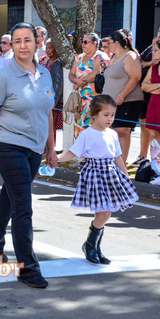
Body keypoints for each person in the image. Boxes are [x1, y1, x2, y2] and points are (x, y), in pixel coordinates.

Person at [0, 22, 57, 288]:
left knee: (10, 197)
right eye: (17, 41)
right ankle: (28, 268)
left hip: (33, 147)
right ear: (12, 44)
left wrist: (51, 148)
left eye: (28, 40)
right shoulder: (4, 76)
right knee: (24, 206)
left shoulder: (44, 73)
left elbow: (46, 113)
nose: (23, 45)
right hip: (7, 145)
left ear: (37, 42)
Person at [56, 95, 138, 264]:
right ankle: (91, 245)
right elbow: (72, 153)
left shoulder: (113, 134)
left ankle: (93, 246)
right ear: (94, 114)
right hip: (94, 174)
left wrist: (125, 174)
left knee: (105, 212)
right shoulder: (87, 134)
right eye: (105, 114)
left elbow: (117, 156)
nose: (110, 119)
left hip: (110, 174)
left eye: (113, 115)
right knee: (104, 212)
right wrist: (55, 158)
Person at [102, 29, 143, 162]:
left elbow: (135, 77)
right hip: (110, 102)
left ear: (117, 42)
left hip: (127, 101)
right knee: (111, 131)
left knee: (122, 131)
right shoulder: (114, 56)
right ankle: (113, 161)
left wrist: (121, 96)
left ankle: (121, 164)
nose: (108, 45)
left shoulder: (130, 56)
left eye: (110, 42)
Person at [69, 32, 104, 139]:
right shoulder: (79, 57)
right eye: (82, 42)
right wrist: (76, 80)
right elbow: (71, 74)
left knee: (92, 126)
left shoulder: (99, 56)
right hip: (80, 99)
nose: (83, 44)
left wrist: (80, 82)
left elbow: (96, 73)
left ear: (94, 44)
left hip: (94, 97)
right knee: (79, 125)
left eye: (86, 42)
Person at [41, 40, 64, 146]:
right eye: (46, 48)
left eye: (50, 48)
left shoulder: (57, 64)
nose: (48, 50)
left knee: (51, 126)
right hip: (44, 97)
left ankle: (50, 147)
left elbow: (58, 84)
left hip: (53, 99)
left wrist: (53, 102)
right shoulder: (46, 62)